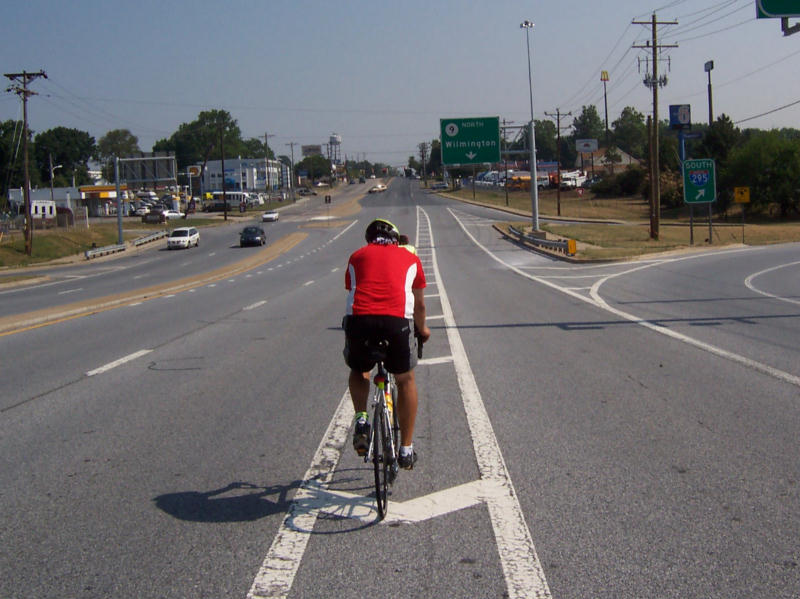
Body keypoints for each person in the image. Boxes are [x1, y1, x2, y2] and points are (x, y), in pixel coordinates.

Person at [343, 218, 431, 469]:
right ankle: (405, 449)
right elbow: (420, 306)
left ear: (370, 240)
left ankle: (361, 419)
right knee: (405, 380)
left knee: (359, 370)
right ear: (396, 240)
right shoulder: (411, 259)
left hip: (360, 322)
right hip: (397, 324)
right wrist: (422, 330)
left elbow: (351, 288)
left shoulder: (356, 256)